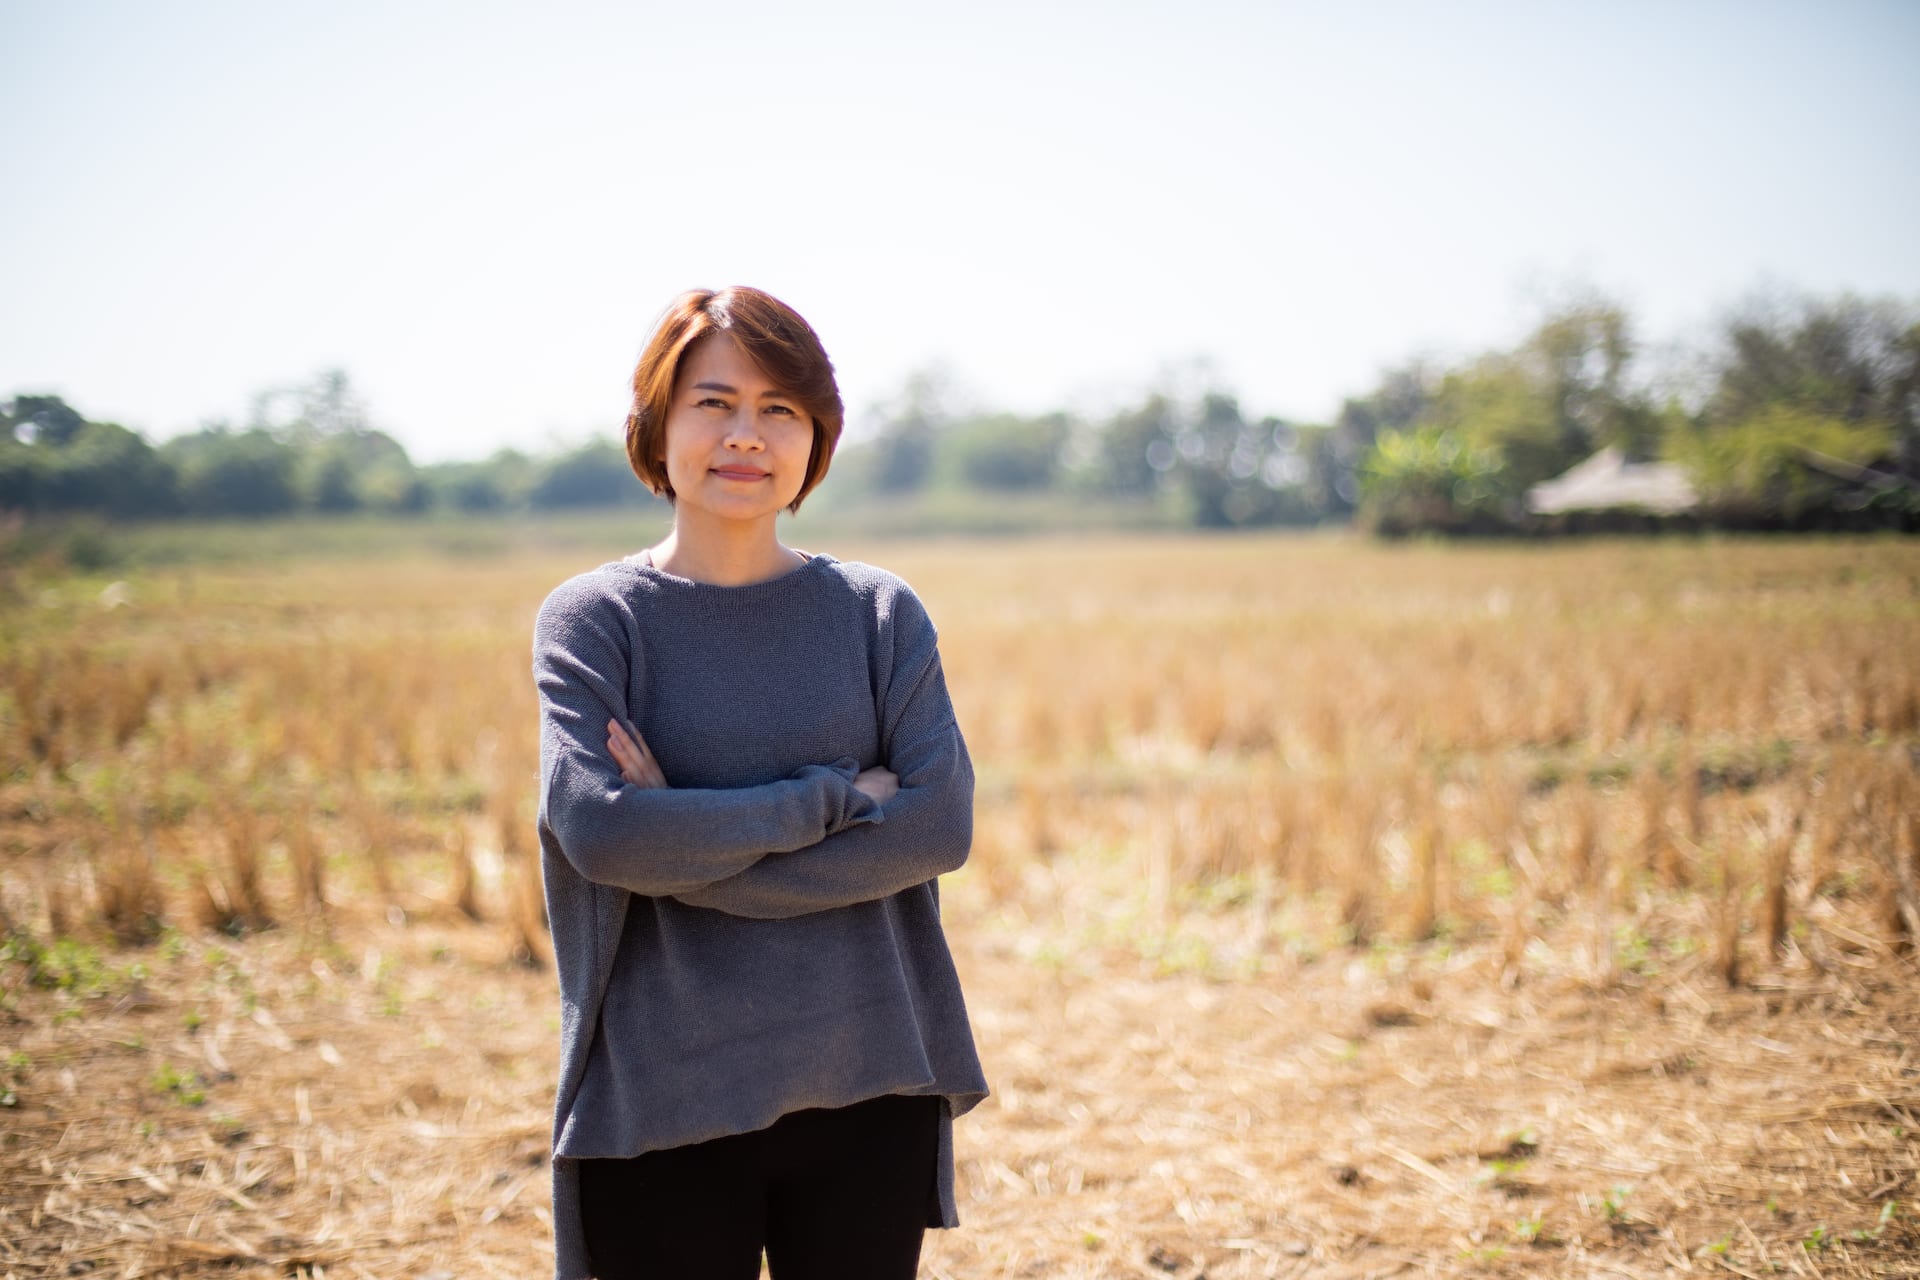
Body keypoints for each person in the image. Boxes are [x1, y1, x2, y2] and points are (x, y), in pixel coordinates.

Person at [531, 286, 989, 1280]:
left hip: (871, 1080)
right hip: (663, 1092)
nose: (746, 433)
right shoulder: (596, 620)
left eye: (779, 408)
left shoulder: (878, 612)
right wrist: (836, 798)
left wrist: (684, 848)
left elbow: (938, 825)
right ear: (657, 426)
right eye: (714, 402)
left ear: (814, 438)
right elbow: (604, 838)